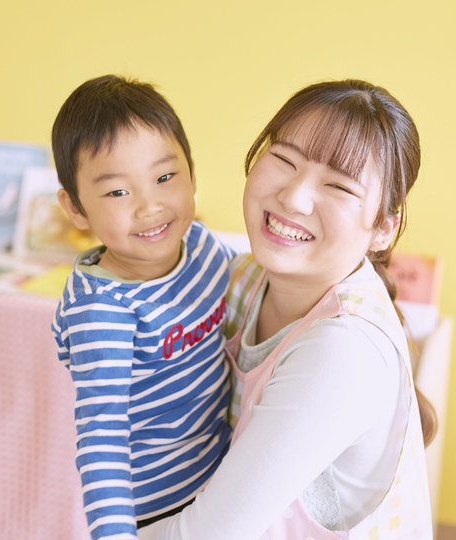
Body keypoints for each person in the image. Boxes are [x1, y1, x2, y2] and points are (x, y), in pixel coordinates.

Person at [139, 79, 435, 540]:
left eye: (338, 185)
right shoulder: (244, 278)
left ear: (383, 228)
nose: (294, 198)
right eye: (284, 159)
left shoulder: (345, 349)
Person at [50, 75, 234, 540]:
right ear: (75, 208)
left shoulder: (202, 244)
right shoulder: (101, 312)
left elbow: (257, 294)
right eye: (117, 192)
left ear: (192, 173)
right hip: (163, 508)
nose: (150, 207)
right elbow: (101, 439)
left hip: (227, 475)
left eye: (165, 178)